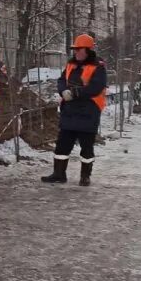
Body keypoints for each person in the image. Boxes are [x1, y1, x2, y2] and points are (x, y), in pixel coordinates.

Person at [43, 34, 107, 187]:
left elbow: (96, 87)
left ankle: (85, 176)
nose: (76, 52)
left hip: (88, 111)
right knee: (62, 145)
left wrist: (75, 93)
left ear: (88, 50)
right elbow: (61, 80)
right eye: (75, 49)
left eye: (80, 49)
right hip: (70, 111)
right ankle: (59, 174)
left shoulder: (98, 67)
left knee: (87, 147)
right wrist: (63, 91)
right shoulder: (71, 65)